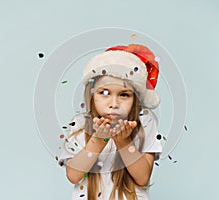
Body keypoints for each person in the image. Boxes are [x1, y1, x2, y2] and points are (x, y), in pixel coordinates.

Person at [59, 44, 162, 200]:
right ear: (92, 95)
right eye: (104, 93)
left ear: (135, 98)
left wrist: (124, 142)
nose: (114, 103)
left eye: (124, 95)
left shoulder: (145, 122)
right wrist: (98, 140)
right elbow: (73, 175)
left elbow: (142, 178)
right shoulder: (80, 123)